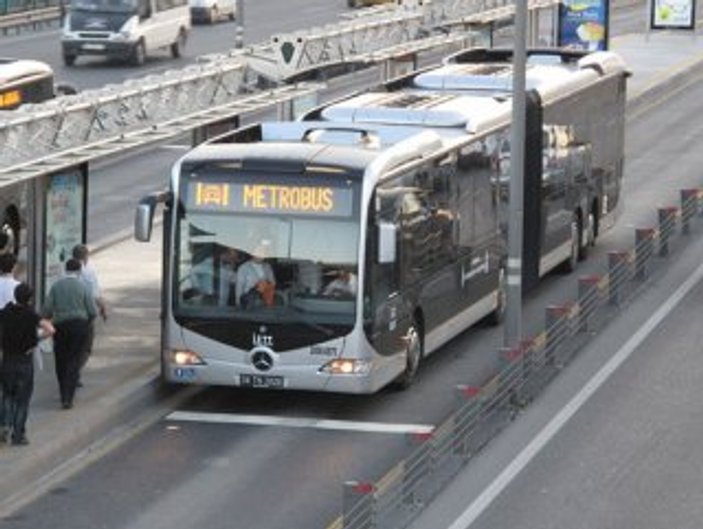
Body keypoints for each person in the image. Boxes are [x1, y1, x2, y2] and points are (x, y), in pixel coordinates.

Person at [0, 283, 55, 445]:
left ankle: (4, 426)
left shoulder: (5, 313)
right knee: (22, 399)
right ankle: (18, 435)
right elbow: (50, 330)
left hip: (7, 359)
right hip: (25, 360)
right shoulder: (31, 315)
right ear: (30, 299)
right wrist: (36, 339)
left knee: (7, 395)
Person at [42, 258, 97, 410]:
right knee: (74, 360)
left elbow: (46, 309)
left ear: (65, 270)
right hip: (79, 326)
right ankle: (68, 397)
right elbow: (92, 310)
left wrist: (47, 320)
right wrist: (87, 323)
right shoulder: (83, 286)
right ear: (79, 271)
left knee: (61, 359)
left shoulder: (56, 286)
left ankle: (62, 392)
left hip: (60, 327)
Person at [72, 244, 107, 379]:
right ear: (86, 257)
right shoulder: (88, 272)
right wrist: (103, 309)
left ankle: (70, 371)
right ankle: (74, 371)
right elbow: (95, 295)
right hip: (84, 317)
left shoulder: (65, 270)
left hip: (65, 317)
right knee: (85, 347)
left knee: (70, 348)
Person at [235, 240, 276, 308]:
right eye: (258, 251)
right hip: (248, 305)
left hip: (265, 304)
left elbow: (273, 283)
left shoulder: (267, 267)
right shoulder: (244, 268)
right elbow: (239, 288)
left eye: (263, 252)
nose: (261, 254)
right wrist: (238, 304)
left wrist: (265, 284)